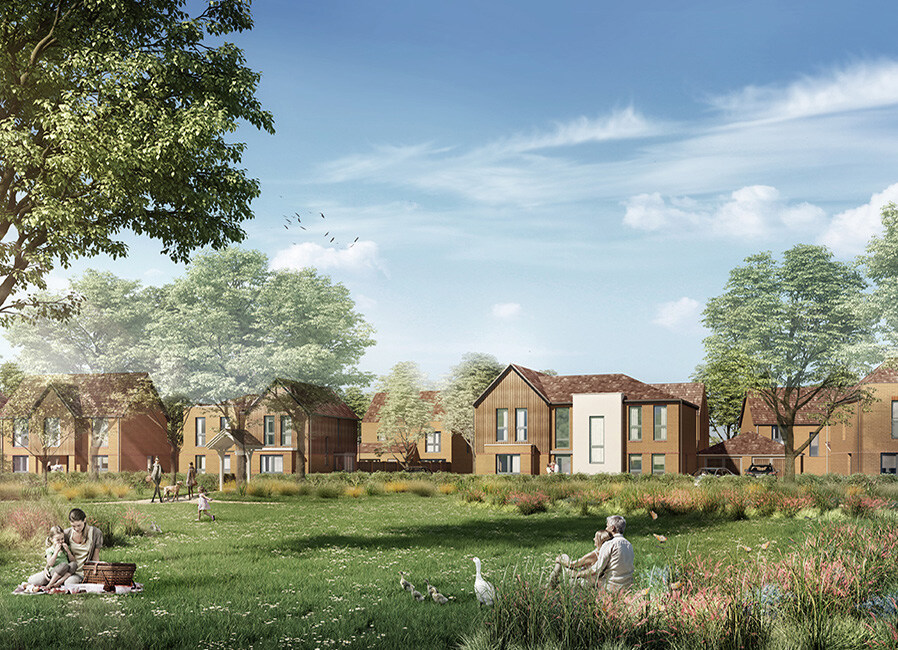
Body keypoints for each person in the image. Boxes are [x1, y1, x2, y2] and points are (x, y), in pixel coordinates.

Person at [27, 508, 103, 588]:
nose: (76, 529)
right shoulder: (67, 534)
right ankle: (55, 581)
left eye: (79, 525)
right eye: (73, 526)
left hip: (79, 572)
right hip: (62, 569)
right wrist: (46, 568)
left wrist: (94, 574)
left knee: (69, 583)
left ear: (84, 520)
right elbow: (54, 549)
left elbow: (95, 558)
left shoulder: (95, 533)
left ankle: (55, 583)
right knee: (33, 580)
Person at [590, 515, 634, 593]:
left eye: (607, 526)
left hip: (610, 588)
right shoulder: (629, 545)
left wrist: (578, 574)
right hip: (627, 587)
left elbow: (596, 570)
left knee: (581, 582)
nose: (606, 529)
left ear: (612, 528)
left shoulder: (610, 544)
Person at [42, 525, 78, 590]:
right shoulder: (50, 550)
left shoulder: (65, 548)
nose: (61, 541)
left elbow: (72, 560)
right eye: (58, 540)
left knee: (74, 564)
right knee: (64, 565)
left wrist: (68, 551)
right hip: (55, 572)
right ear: (51, 539)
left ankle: (58, 583)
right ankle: (50, 584)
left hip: (66, 572)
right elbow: (50, 564)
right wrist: (56, 552)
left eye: (62, 539)